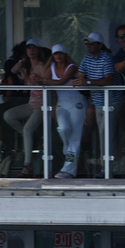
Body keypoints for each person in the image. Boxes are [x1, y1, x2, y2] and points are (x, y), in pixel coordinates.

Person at [76, 32, 121, 176]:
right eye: (87, 43)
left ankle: (108, 169)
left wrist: (87, 82)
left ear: (100, 45)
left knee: (106, 135)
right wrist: (79, 81)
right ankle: (105, 167)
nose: (88, 46)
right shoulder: (87, 59)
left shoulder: (107, 58)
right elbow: (80, 77)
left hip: (111, 102)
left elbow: (108, 80)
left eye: (92, 43)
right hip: (98, 102)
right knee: (102, 135)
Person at [5, 41, 49, 177]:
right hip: (31, 103)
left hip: (42, 105)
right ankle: (30, 139)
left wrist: (29, 81)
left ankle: (27, 165)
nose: (31, 51)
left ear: (38, 50)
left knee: (27, 128)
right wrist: (24, 61)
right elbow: (13, 71)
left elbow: (44, 86)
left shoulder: (42, 66)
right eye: (28, 49)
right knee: (8, 115)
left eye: (33, 48)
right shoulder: (28, 66)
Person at [45, 44, 83, 179]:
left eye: (60, 53)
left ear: (65, 54)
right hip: (62, 104)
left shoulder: (71, 67)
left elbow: (61, 81)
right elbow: (43, 82)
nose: (58, 56)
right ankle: (68, 153)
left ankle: (68, 170)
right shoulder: (51, 68)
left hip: (76, 102)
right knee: (63, 129)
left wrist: (41, 80)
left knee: (75, 137)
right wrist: (33, 79)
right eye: (55, 54)